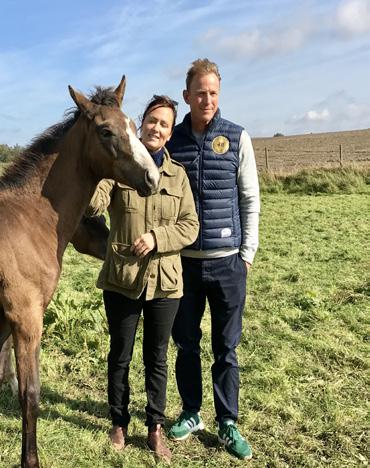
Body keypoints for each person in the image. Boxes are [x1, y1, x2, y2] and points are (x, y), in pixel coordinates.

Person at [87, 95, 199, 463]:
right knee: (119, 355)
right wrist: (95, 172)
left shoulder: (178, 176)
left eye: (164, 124)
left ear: (169, 133)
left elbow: (190, 226)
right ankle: (118, 421)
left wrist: (156, 239)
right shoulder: (120, 169)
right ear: (142, 123)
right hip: (123, 278)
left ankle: (155, 427)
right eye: (152, 121)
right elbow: (94, 205)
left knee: (157, 358)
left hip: (166, 283)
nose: (157, 128)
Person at [166, 58, 260, 461]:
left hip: (228, 263)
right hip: (183, 264)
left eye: (213, 93)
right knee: (186, 344)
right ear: (187, 96)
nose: (207, 99)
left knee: (226, 347)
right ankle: (191, 413)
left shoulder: (237, 138)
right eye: (200, 93)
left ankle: (228, 421)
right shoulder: (172, 141)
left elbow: (250, 198)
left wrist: (247, 254)